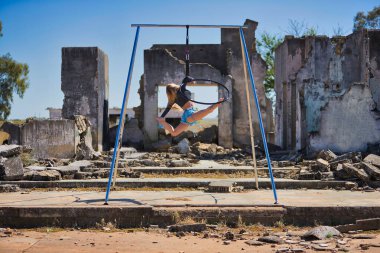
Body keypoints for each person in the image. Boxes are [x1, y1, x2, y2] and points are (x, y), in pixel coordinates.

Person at [156, 83, 223, 137]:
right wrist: (162, 117)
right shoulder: (177, 96)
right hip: (188, 114)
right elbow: (167, 109)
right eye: (173, 89)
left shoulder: (178, 94)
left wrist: (162, 117)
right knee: (208, 110)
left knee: (174, 133)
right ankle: (217, 103)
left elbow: (167, 109)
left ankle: (163, 122)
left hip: (187, 115)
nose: (175, 90)